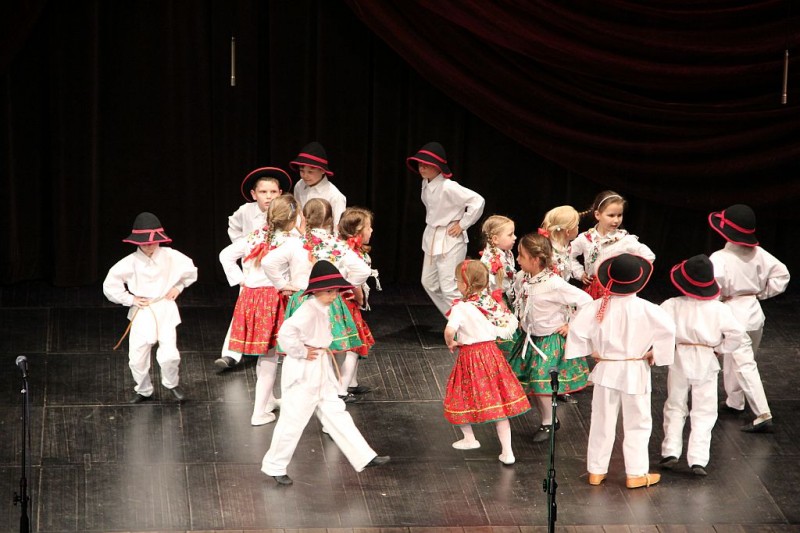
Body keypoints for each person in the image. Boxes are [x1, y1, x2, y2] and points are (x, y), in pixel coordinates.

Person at [261, 260, 390, 485]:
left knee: (336, 412)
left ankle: (364, 455)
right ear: (316, 291)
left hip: (320, 366)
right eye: (329, 291)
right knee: (293, 420)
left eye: (336, 291)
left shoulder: (323, 308)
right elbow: (286, 333)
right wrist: (301, 351)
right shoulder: (308, 310)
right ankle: (275, 465)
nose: (333, 296)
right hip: (303, 371)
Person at [565, 253, 675, 489]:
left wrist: (591, 350)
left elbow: (576, 330)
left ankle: (596, 470)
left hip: (607, 369)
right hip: (634, 370)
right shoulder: (648, 309)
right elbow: (668, 330)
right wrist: (657, 352)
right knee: (638, 421)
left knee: (601, 420)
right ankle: (636, 472)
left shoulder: (597, 307)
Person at [263, 198, 371, 403]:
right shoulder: (336, 244)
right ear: (330, 220)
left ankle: (302, 391)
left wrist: (282, 284)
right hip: (328, 300)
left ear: (303, 217)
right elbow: (363, 270)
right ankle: (330, 393)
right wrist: (343, 287)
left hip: (301, 298)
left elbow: (268, 262)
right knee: (326, 346)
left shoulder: (294, 243)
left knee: (304, 346)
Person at [659, 255, 754, 476]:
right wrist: (720, 348)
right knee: (704, 409)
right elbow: (737, 333)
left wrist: (665, 348)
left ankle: (670, 450)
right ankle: (698, 458)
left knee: (675, 404)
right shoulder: (719, 309)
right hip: (705, 357)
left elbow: (657, 327)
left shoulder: (672, 305)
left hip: (680, 356)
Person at [218, 193, 298, 425]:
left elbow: (225, 255)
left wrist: (241, 280)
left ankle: (268, 400)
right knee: (270, 356)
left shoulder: (255, 235)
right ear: (292, 219)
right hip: (273, 298)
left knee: (266, 354)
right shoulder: (291, 241)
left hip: (252, 298)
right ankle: (259, 412)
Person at [708, 204, 789, 431]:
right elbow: (782, 274)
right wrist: (761, 293)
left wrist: (717, 306)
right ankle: (735, 402)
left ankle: (762, 413)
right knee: (737, 358)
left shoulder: (719, 257)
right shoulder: (759, 253)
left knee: (744, 364)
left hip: (734, 312)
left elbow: (713, 288)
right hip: (753, 312)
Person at [103, 212, 198, 403]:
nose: (149, 245)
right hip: (144, 310)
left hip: (164, 307)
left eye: (153, 242)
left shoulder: (171, 256)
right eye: (145, 243)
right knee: (137, 356)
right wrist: (130, 299)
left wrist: (178, 287)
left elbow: (190, 271)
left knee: (169, 355)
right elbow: (110, 286)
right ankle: (143, 389)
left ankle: (172, 384)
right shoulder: (129, 262)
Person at [444, 260, 529, 466]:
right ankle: (507, 452)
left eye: (458, 280)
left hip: (470, 357)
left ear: (465, 283)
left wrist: (451, 342)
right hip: (492, 354)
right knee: (497, 401)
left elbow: (449, 331)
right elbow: (505, 321)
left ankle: (469, 438)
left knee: (460, 394)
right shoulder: (489, 302)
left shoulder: (461, 308)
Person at [508, 233, 592, 441]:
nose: (518, 259)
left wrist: (571, 325)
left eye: (521, 255)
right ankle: (549, 419)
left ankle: (548, 422)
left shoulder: (554, 284)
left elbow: (586, 301)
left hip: (549, 339)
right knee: (532, 380)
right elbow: (518, 298)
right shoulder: (522, 277)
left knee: (541, 380)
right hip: (530, 337)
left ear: (536, 259)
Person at [217, 167, 292, 371]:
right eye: (263, 192)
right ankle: (231, 353)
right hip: (253, 272)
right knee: (243, 313)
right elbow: (233, 227)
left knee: (280, 315)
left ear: (280, 193)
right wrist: (245, 248)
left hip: (278, 275)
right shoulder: (245, 211)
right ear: (253, 194)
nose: (268, 196)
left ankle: (278, 350)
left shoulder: (287, 212)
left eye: (273, 192)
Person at [407, 142, 485, 316]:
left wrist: (463, 224)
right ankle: (455, 318)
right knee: (428, 282)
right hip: (432, 236)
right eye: (420, 164)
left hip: (450, 238)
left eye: (426, 164)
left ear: (437, 166)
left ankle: (464, 323)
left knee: (450, 288)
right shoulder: (426, 183)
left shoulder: (448, 186)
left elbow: (477, 201)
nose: (422, 167)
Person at [569, 191, 655, 298]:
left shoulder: (625, 240)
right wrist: (580, 273)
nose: (616, 220)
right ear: (597, 215)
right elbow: (568, 254)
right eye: (611, 215)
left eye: (619, 215)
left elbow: (648, 256)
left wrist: (628, 278)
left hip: (615, 293)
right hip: (591, 292)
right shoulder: (586, 238)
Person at [337, 207, 381, 397]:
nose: (371, 230)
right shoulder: (348, 252)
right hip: (345, 303)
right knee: (353, 346)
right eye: (368, 227)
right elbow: (354, 281)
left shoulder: (351, 249)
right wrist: (360, 297)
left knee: (355, 342)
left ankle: (352, 383)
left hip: (349, 304)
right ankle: (341, 390)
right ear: (358, 231)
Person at [478, 214, 521, 358]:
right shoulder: (490, 260)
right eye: (510, 234)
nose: (514, 237)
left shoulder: (507, 253)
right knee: (503, 336)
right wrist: (499, 301)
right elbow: (487, 286)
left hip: (506, 298)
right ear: (495, 239)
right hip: (495, 301)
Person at [290, 141, 347, 229]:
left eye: (310, 172)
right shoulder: (299, 185)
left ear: (322, 170)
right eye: (302, 171)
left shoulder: (335, 196)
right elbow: (296, 211)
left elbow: (338, 226)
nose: (305, 175)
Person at [539, 205, 581, 282]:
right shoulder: (550, 253)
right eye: (577, 225)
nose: (578, 227)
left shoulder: (565, 247)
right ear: (568, 232)